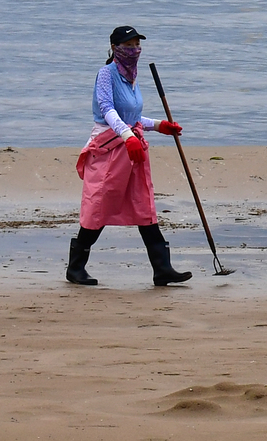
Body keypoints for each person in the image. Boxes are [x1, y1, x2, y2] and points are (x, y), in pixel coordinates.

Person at [65, 26, 194, 287]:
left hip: (131, 146)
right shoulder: (106, 74)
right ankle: (75, 267)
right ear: (115, 48)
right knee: (100, 204)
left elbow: (132, 116)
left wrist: (158, 125)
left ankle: (162, 268)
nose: (134, 50)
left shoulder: (132, 76)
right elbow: (107, 110)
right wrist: (127, 136)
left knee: (143, 204)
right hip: (108, 148)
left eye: (137, 44)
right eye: (128, 45)